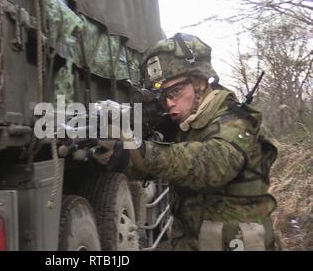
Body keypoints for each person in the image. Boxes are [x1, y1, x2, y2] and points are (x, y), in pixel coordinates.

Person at [94, 33, 279, 251]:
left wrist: (137, 149)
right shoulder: (189, 125)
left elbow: (209, 166)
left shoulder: (235, 120)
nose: (169, 103)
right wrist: (117, 155)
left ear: (200, 83)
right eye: (163, 96)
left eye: (176, 91)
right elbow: (161, 168)